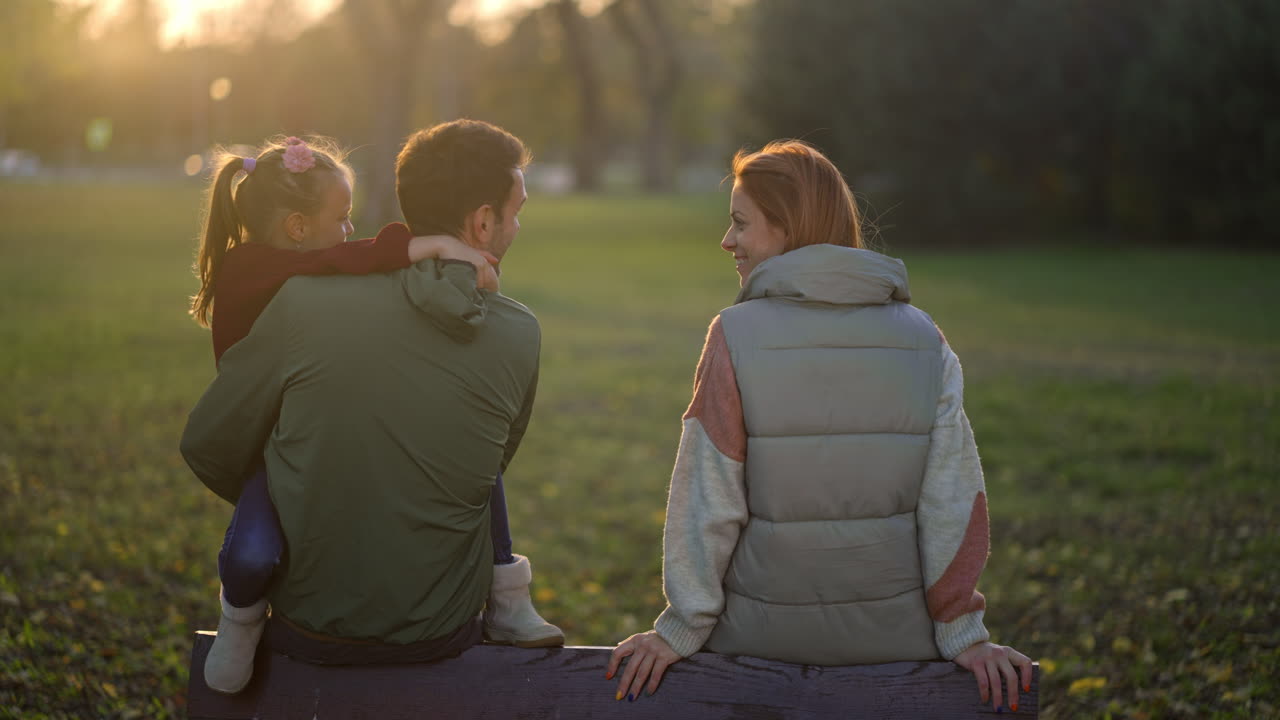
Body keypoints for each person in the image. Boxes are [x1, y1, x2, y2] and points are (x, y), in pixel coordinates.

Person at [608, 140, 1033, 712]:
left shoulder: (733, 335)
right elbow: (954, 501)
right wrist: (961, 631)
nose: (726, 240)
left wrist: (681, 628)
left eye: (740, 223)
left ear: (788, 228)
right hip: (897, 652)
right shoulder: (924, 339)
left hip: (756, 655)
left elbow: (706, 500)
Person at [182, 123, 559, 695]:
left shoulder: (304, 302)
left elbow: (208, 442)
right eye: (517, 210)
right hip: (444, 631)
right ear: (483, 222)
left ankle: (242, 615)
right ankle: (508, 595)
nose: (518, 225)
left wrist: (300, 486)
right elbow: (489, 465)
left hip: (307, 626)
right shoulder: (520, 334)